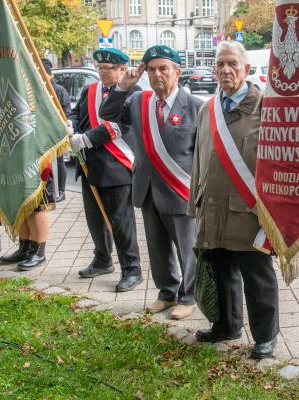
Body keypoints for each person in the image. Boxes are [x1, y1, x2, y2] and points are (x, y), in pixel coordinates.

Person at [189, 41, 279, 358]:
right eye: (220, 65)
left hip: (249, 211)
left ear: (247, 69)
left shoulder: (266, 108)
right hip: (212, 207)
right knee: (220, 270)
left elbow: (277, 165)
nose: (226, 70)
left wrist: (274, 215)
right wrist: (194, 204)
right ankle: (226, 325)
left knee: (258, 277)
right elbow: (199, 160)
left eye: (232, 64)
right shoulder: (206, 109)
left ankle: (265, 336)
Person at [100, 45, 202, 320]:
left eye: (164, 68)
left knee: (187, 248)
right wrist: (123, 86)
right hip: (148, 189)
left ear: (177, 72)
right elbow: (107, 115)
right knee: (157, 249)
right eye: (152, 69)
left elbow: (204, 154)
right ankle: (166, 292)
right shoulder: (138, 102)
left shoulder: (196, 107)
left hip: (181, 190)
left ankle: (189, 296)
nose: (158, 74)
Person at [69, 48, 143, 292]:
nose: (102, 72)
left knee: (121, 222)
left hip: (116, 166)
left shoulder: (134, 92)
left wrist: (86, 139)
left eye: (108, 68)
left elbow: (121, 125)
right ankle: (102, 260)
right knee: (94, 219)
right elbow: (77, 114)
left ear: (122, 69)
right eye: (99, 68)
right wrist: (70, 125)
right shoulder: (89, 90)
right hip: (89, 164)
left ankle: (132, 269)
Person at [0, 58, 71, 270]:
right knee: (23, 201)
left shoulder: (50, 92)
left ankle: (39, 250)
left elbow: (58, 121)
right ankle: (25, 246)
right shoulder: (21, 89)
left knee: (37, 205)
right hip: (19, 155)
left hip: (39, 157)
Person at [42, 58, 71, 203]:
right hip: (42, 133)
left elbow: (66, 112)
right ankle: (49, 190)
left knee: (58, 162)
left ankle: (60, 190)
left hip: (56, 132)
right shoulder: (38, 89)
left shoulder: (59, 90)